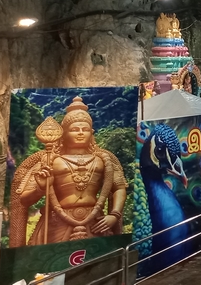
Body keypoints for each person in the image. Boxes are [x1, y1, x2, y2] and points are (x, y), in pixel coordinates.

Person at [10, 97, 128, 246]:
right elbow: (24, 200)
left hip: (95, 221)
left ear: (91, 133)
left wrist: (114, 214)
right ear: (64, 134)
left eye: (85, 129)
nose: (80, 133)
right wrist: (41, 188)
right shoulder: (49, 161)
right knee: (54, 263)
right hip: (57, 223)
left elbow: (119, 187)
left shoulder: (103, 159)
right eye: (74, 129)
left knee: (98, 263)